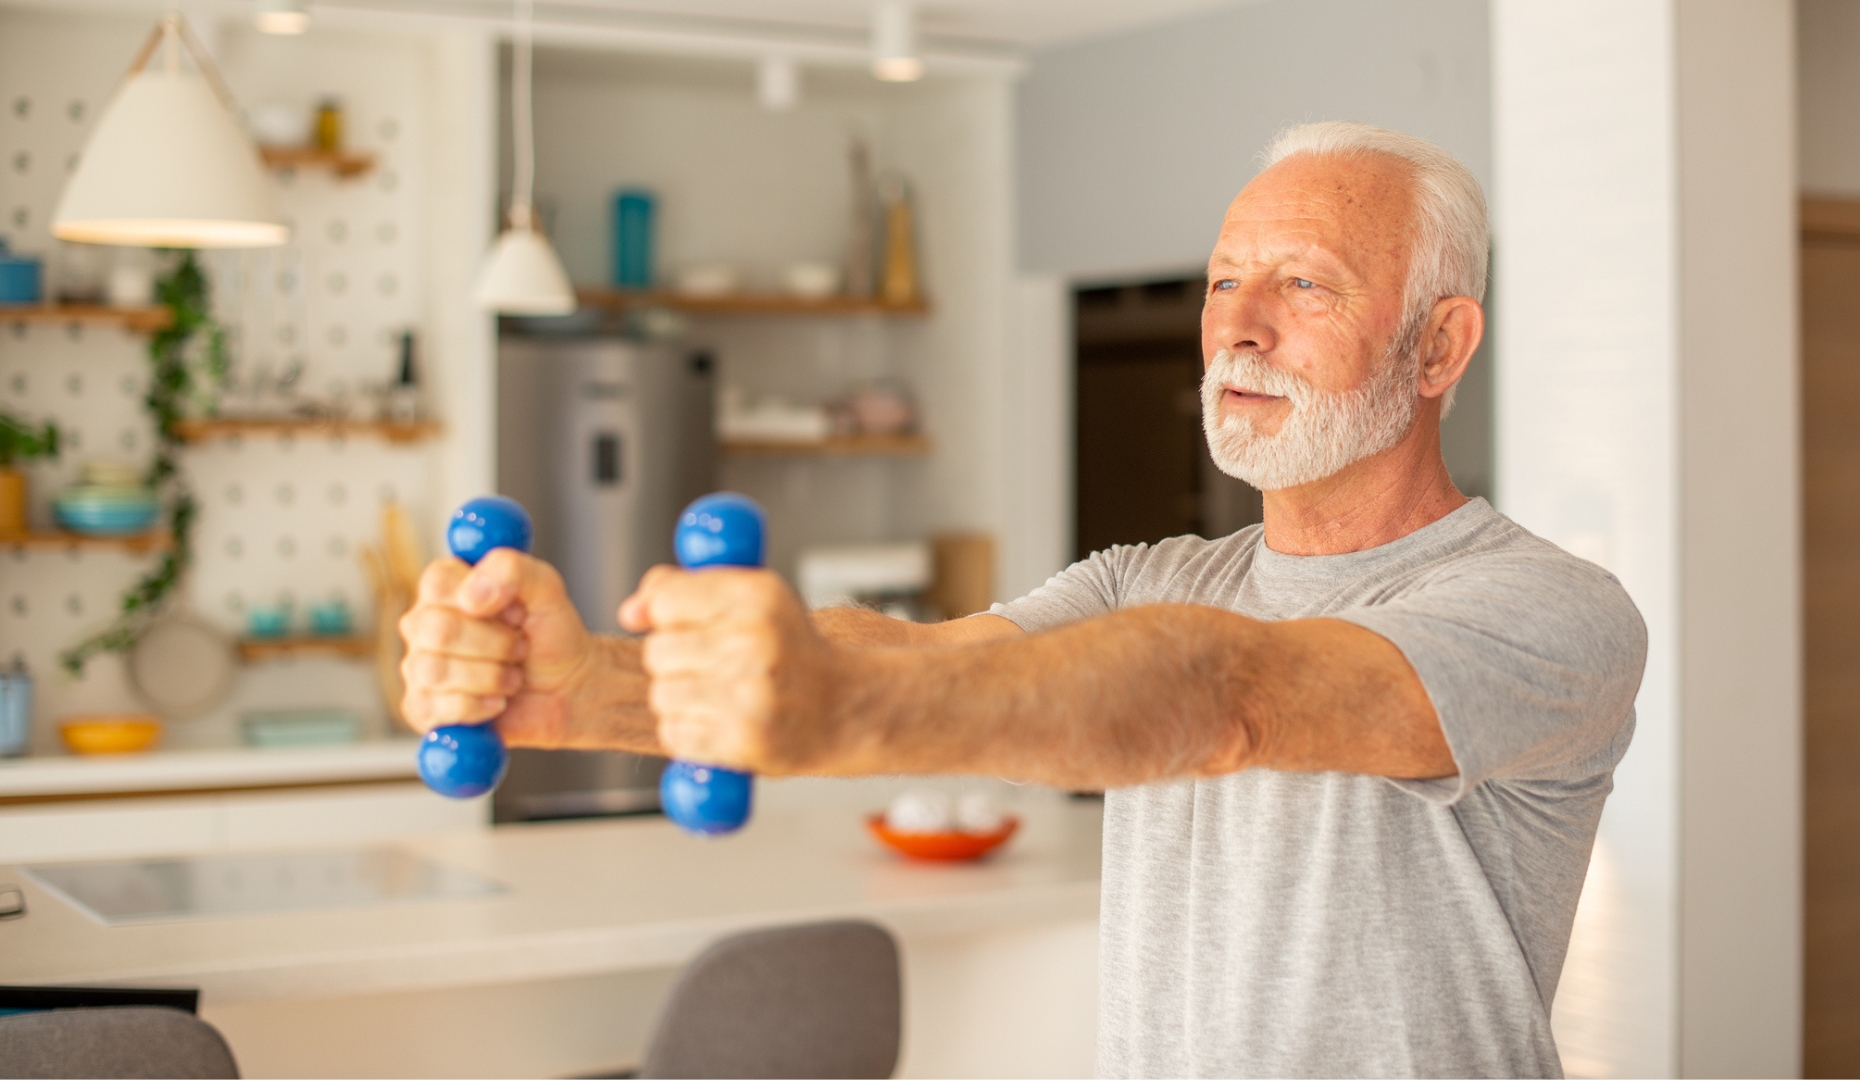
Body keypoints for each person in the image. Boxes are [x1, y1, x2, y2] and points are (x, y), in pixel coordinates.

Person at [399, 121, 1646, 1078]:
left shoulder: (1548, 611)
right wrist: (585, 691)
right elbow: (913, 659)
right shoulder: (1149, 576)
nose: (1240, 329)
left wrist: (832, 703)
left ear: (1439, 347)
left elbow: (1232, 696)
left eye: (1304, 286)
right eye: (1222, 283)